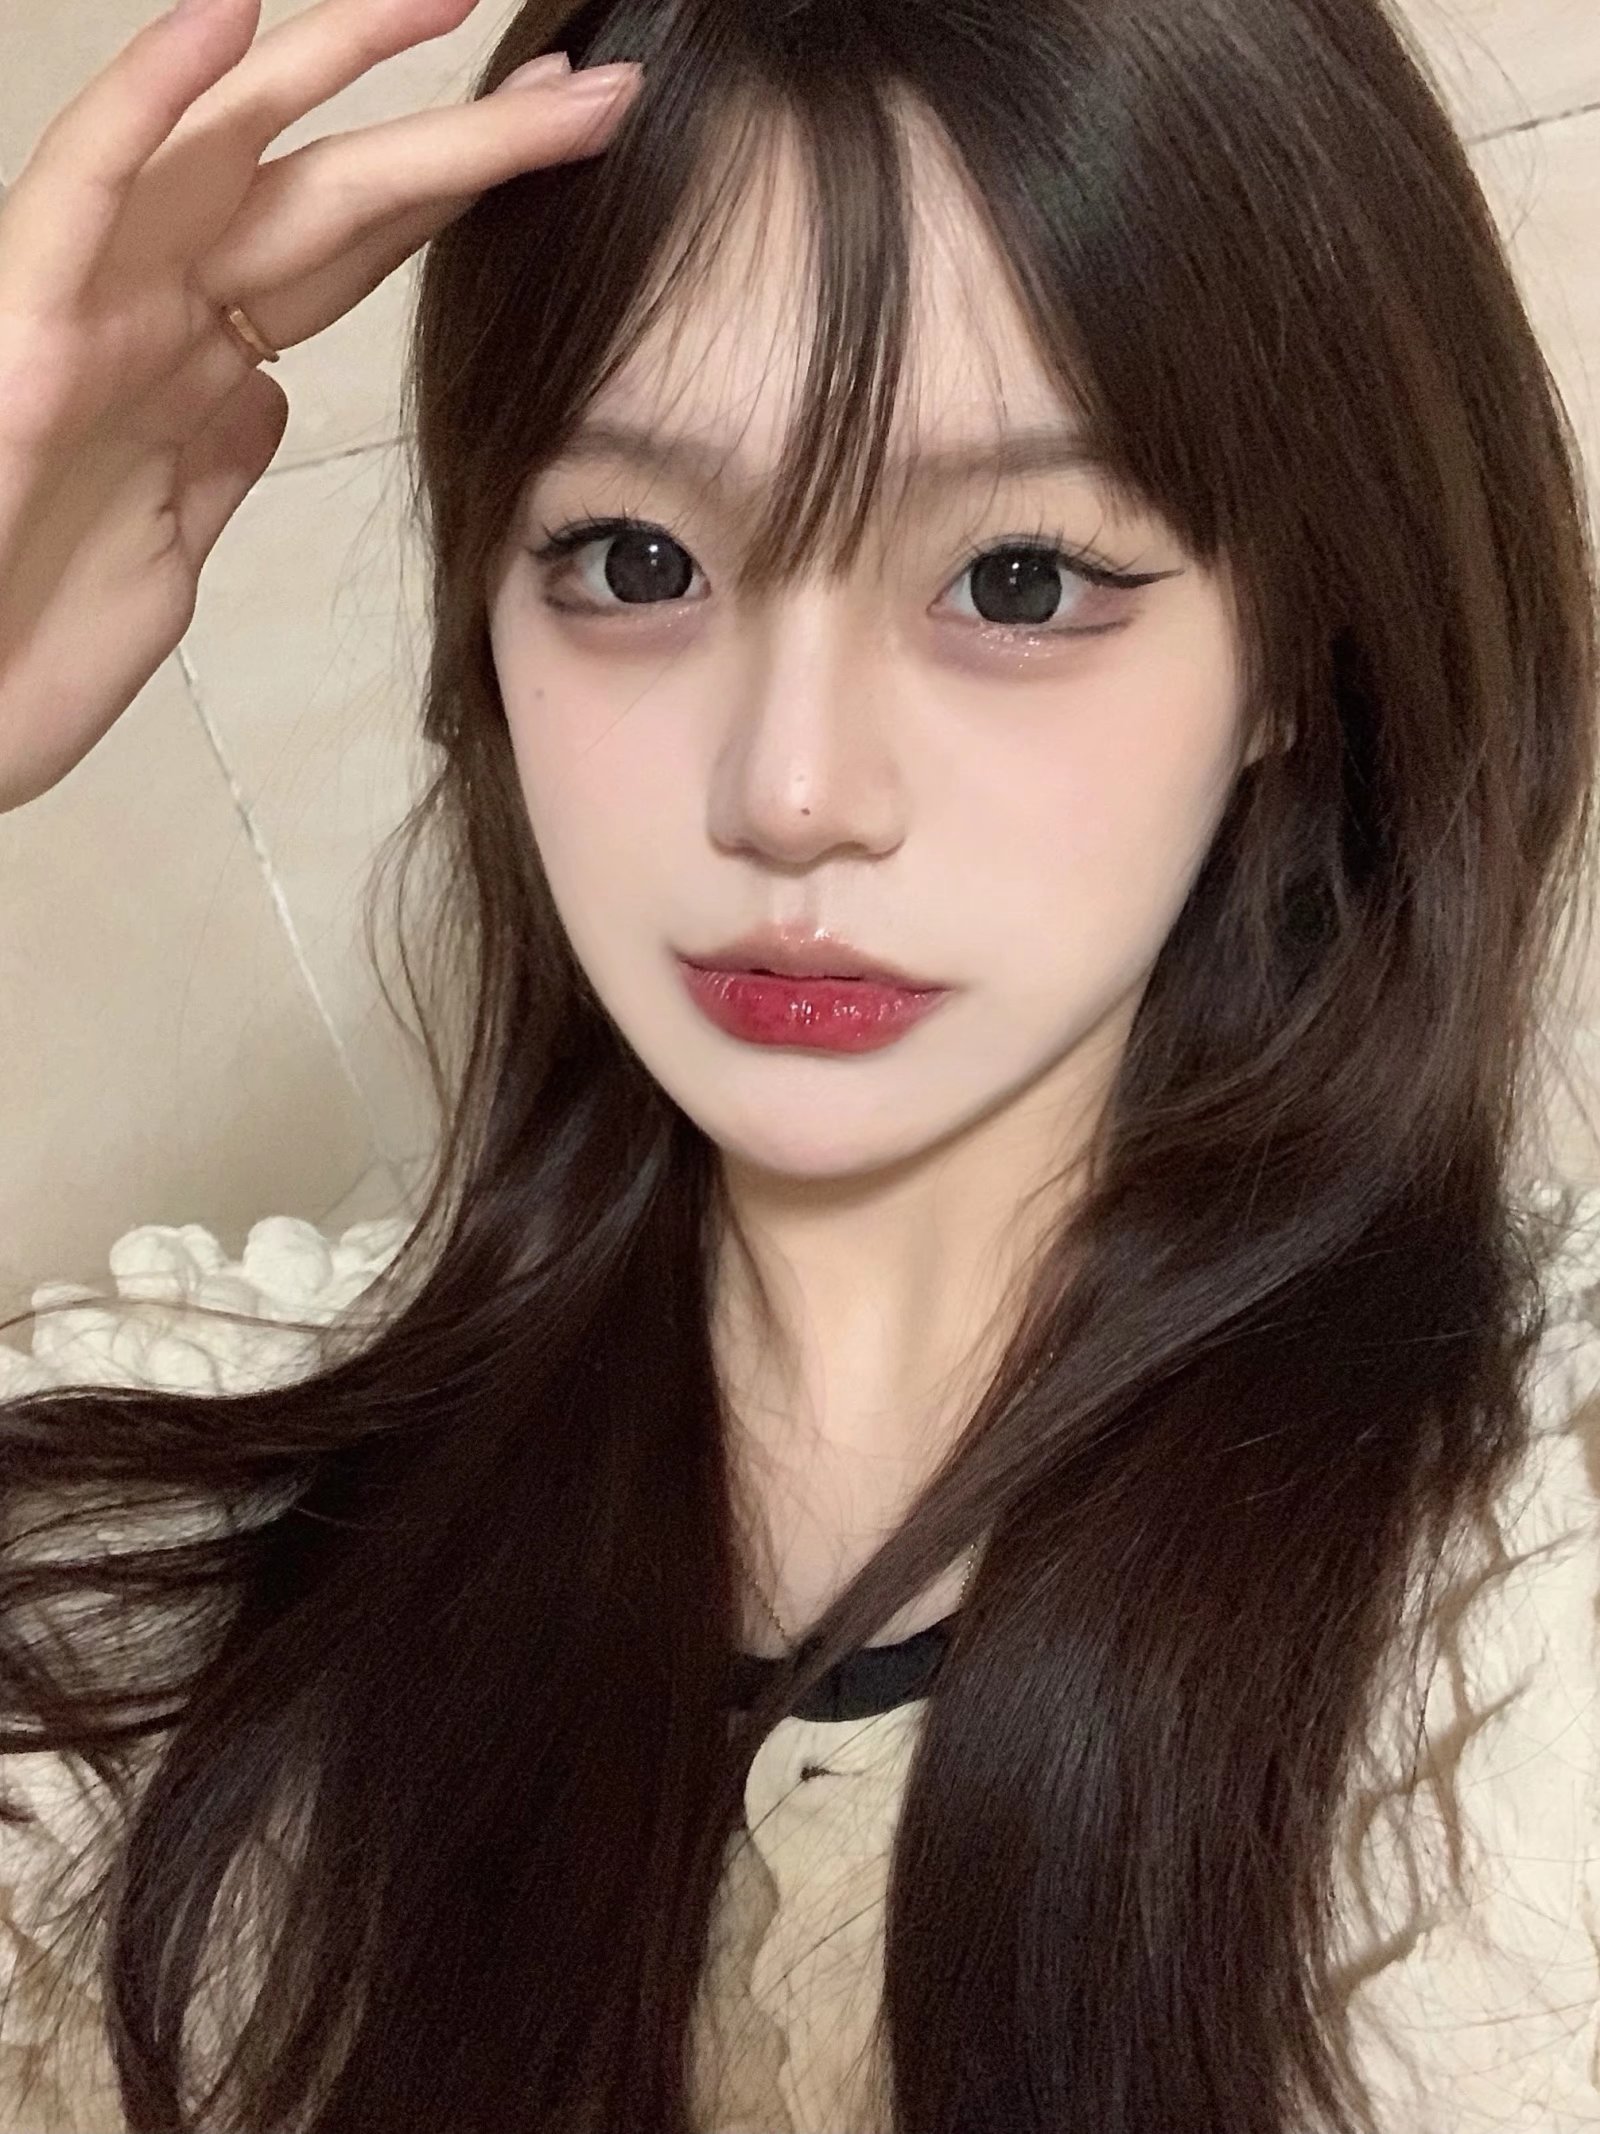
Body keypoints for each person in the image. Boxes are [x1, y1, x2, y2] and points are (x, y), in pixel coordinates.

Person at [0, 0, 1598, 2127]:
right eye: (635, 560)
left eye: (1015, 578)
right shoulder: (141, 1558)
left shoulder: (1534, 1597)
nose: (790, 787)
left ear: (1296, 652)